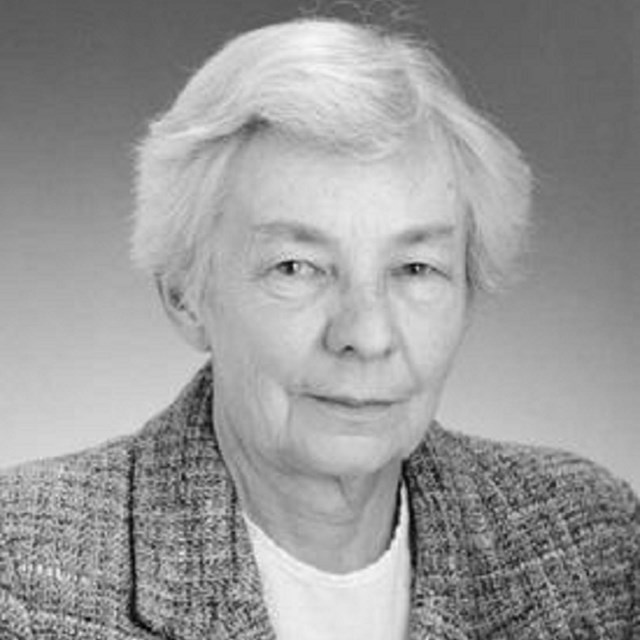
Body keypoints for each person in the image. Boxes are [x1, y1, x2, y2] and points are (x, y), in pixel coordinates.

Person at [1, 16, 637, 640]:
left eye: (415, 267)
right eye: (297, 267)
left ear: (471, 287)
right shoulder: (21, 573)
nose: (366, 334)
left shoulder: (590, 542)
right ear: (184, 293)